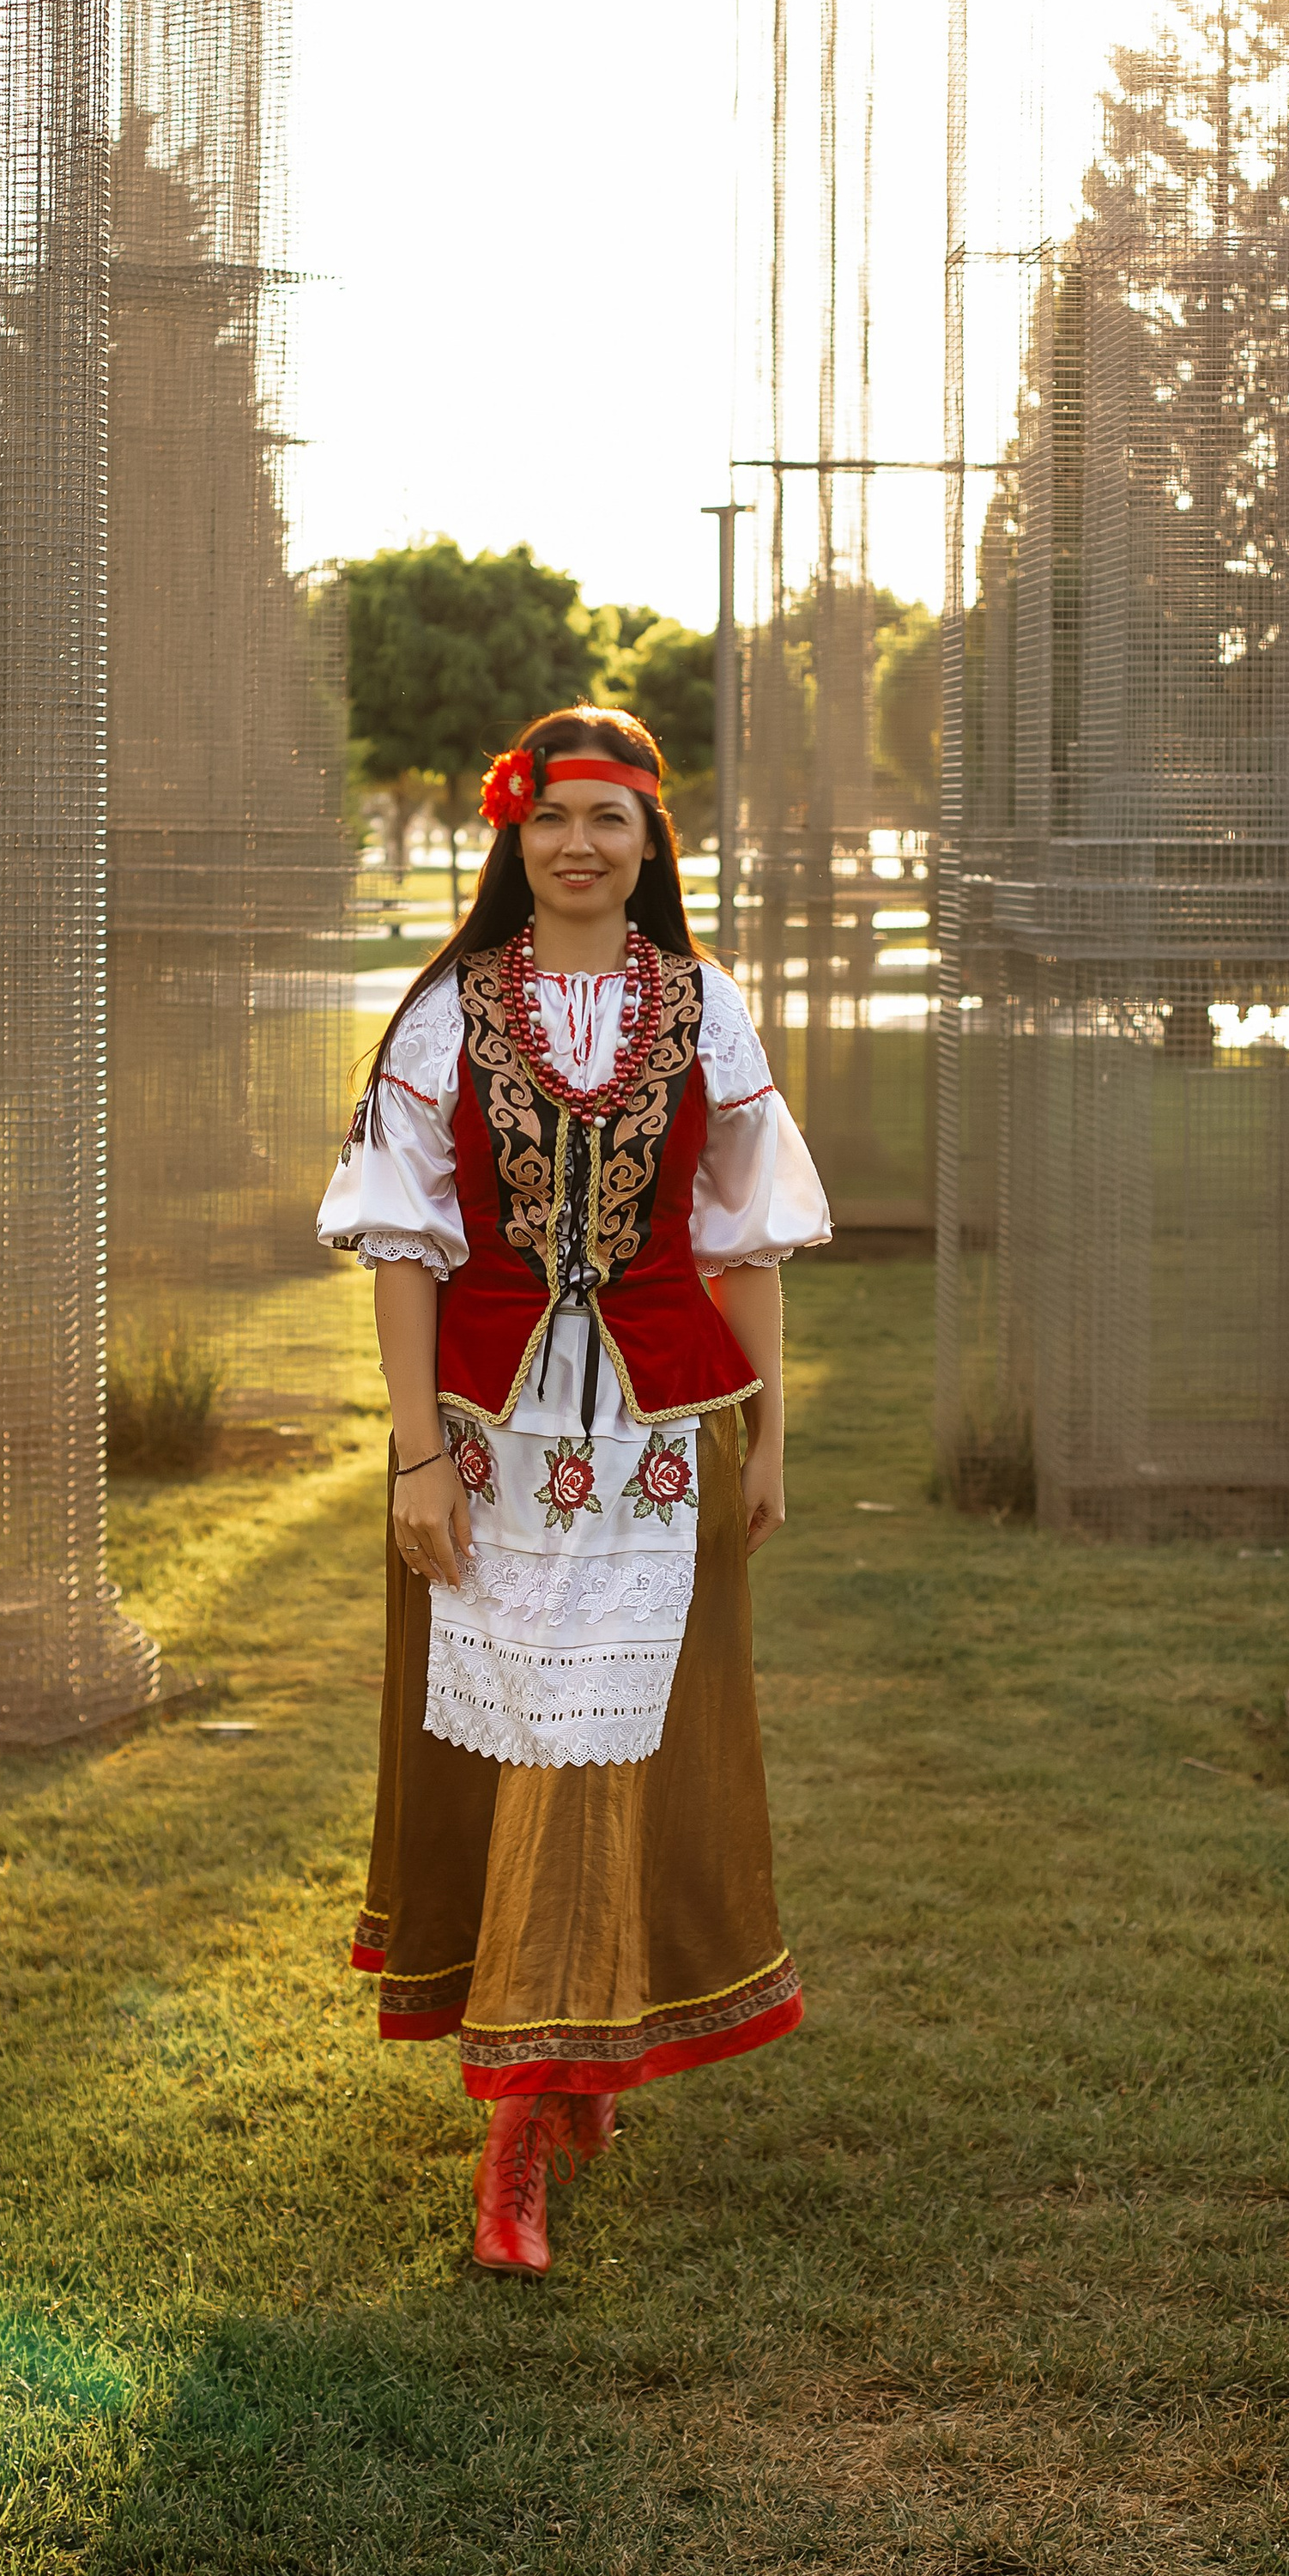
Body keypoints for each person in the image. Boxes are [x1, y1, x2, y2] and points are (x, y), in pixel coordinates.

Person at [318, 704, 831, 2275]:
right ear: (515, 835)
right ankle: (536, 2106)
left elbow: (745, 1238)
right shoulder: (447, 1014)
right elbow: (404, 1248)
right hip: (492, 1443)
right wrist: (415, 1452)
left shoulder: (707, 1009)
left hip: (661, 1446)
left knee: (610, 1750)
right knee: (533, 1746)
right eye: (553, 817)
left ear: (651, 839)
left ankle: (551, 2085)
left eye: (611, 818)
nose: (580, 845)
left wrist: (774, 1434)